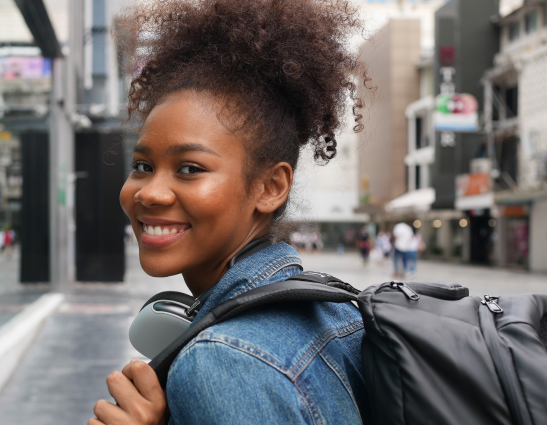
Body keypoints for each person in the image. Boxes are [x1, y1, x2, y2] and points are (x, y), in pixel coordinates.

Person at [91, 1, 370, 423]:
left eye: (190, 169)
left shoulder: (222, 362)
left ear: (270, 187)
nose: (150, 192)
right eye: (143, 166)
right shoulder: (335, 310)